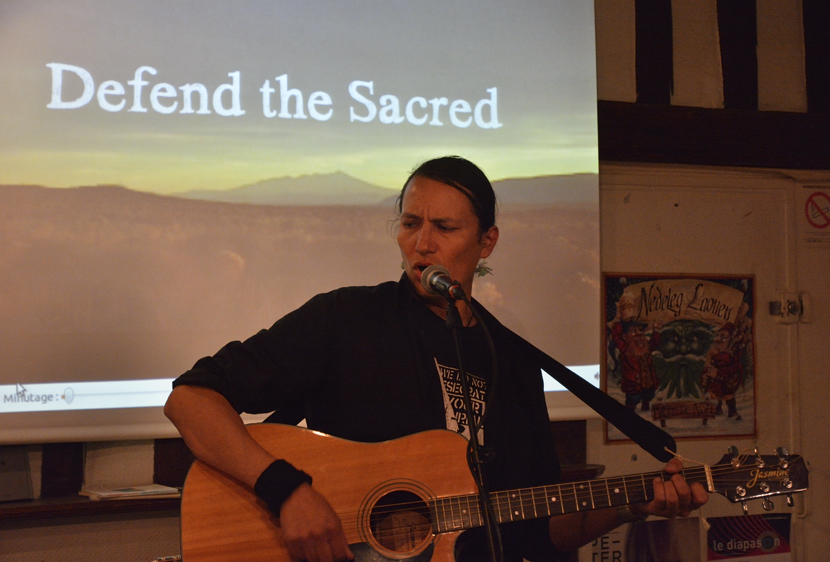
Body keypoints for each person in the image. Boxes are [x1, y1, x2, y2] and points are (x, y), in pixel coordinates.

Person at [165, 156, 708, 562]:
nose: (421, 244)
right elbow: (191, 399)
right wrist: (284, 489)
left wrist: (633, 504)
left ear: (486, 242)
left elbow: (538, 529)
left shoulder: (510, 360)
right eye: (409, 224)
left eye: (444, 228)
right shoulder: (346, 318)